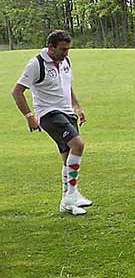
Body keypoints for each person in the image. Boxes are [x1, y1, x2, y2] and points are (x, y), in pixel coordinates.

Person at [11, 30, 93, 215]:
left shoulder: (66, 62)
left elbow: (67, 85)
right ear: (51, 47)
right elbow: (17, 91)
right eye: (63, 49)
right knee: (78, 144)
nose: (66, 53)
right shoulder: (36, 64)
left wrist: (77, 107)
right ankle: (72, 193)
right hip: (48, 113)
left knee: (67, 157)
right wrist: (29, 115)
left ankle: (66, 203)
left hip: (67, 112)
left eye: (68, 49)